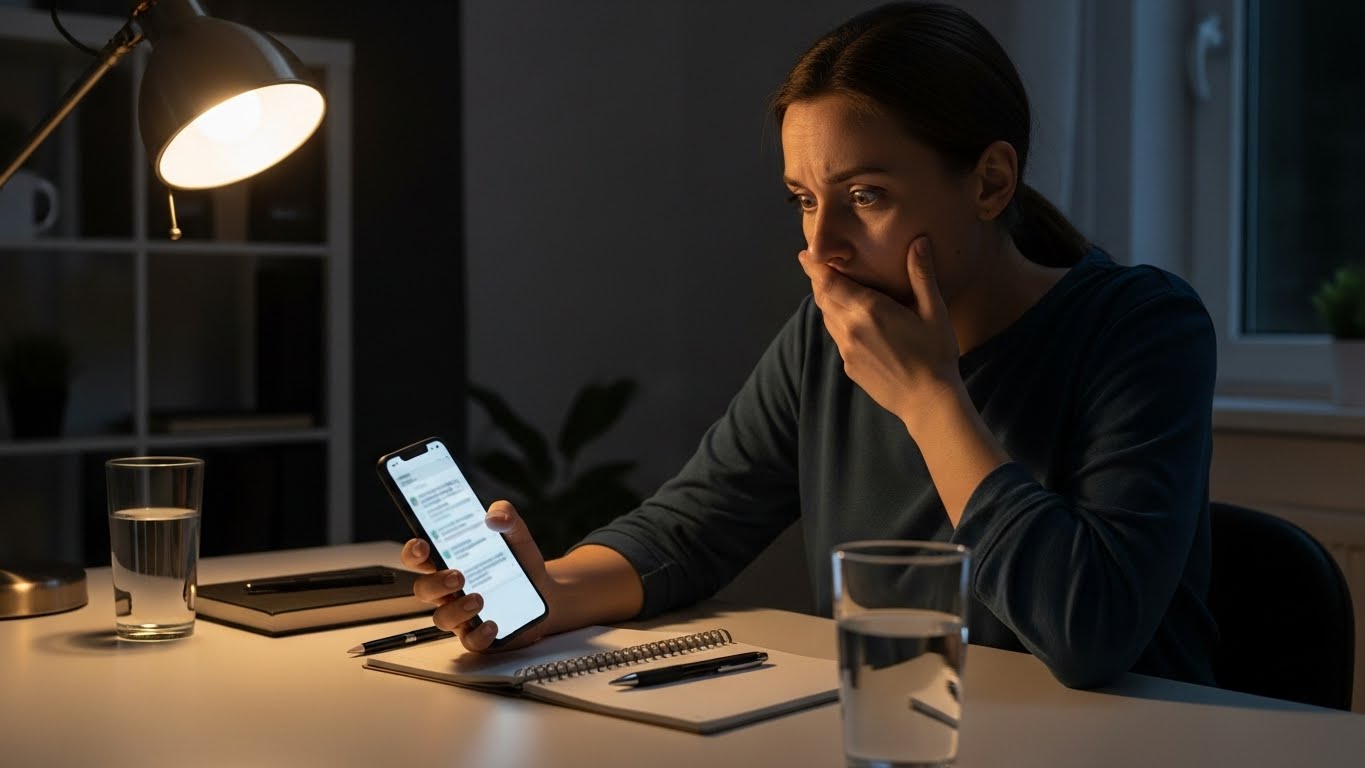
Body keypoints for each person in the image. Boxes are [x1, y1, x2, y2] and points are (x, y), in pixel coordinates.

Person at [403, 1, 1218, 689]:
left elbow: (1089, 631)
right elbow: (689, 530)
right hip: (896, 727)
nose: (822, 244)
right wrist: (548, 592)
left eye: (866, 195)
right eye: (802, 198)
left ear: (990, 182)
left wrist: (930, 395)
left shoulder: (1141, 327)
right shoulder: (826, 337)